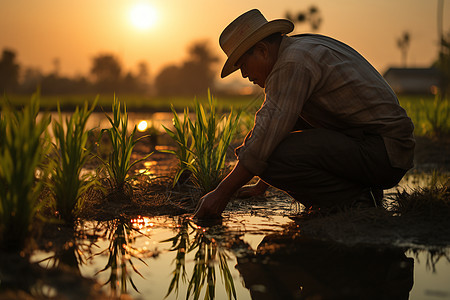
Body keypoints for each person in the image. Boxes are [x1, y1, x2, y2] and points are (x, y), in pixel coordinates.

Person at [194, 9, 415, 218]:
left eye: (243, 64)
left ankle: (355, 202)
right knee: (269, 152)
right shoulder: (299, 48)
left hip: (383, 152)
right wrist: (261, 185)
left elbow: (264, 139)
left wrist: (221, 194)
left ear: (262, 50)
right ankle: (360, 192)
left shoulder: (291, 63)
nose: (243, 74)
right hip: (381, 149)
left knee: (269, 158)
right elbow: (285, 124)